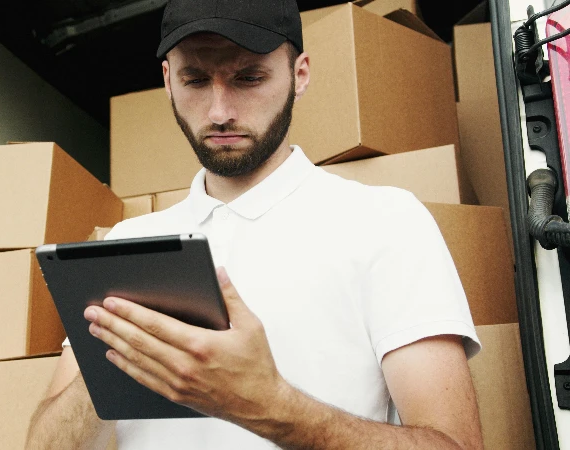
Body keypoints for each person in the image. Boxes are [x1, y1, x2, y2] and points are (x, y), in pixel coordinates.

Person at [27, 0, 484, 448]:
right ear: (167, 81)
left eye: (249, 77)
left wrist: (269, 403)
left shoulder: (385, 222)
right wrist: (119, 354)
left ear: (299, 75)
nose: (219, 112)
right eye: (195, 79)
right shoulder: (128, 243)